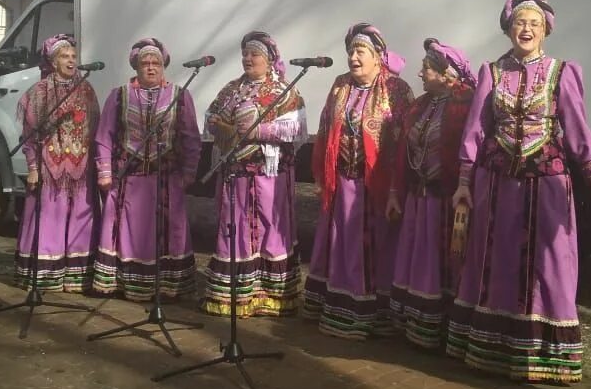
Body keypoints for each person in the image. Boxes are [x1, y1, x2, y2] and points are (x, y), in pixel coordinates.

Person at [448, 0, 591, 383]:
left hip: (546, 183)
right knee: (497, 259)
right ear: (508, 27)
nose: (526, 29)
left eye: (534, 24)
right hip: (497, 184)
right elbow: (475, 130)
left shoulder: (561, 72)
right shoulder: (491, 72)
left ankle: (544, 354)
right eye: (520, 22)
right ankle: (493, 347)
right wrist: (463, 183)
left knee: (549, 262)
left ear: (546, 31)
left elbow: (576, 129)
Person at [304, 23, 414, 339]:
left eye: (360, 51)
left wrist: (396, 188)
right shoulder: (340, 85)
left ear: (378, 56)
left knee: (375, 247)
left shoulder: (397, 89)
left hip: (377, 187)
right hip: (343, 182)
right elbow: (326, 129)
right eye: (351, 51)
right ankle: (342, 310)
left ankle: (375, 316)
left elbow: (404, 143)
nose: (354, 57)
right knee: (342, 244)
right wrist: (322, 175)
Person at [202, 31, 307, 317]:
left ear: (269, 59)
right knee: (234, 226)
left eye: (255, 54)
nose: (248, 59)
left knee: (270, 227)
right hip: (236, 173)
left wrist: (254, 130)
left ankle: (271, 295)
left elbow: (295, 128)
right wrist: (222, 128)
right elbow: (212, 117)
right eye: (245, 54)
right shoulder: (231, 89)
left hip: (269, 174)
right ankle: (235, 293)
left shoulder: (284, 91)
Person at [93, 38, 201, 300]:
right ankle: (125, 283)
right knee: (125, 231)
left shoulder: (179, 96)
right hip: (129, 181)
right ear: (136, 67)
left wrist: (189, 172)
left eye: (156, 63)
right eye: (145, 63)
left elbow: (190, 138)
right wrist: (104, 172)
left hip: (166, 181)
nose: (151, 68)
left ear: (163, 66)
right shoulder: (118, 96)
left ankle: (169, 287)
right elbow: (104, 136)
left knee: (169, 233)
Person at [387, 38, 476, 349]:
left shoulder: (467, 104)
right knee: (418, 258)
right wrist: (396, 192)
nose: (421, 74)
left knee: (446, 261)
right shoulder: (420, 106)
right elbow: (402, 153)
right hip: (419, 199)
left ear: (446, 72)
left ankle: (444, 329)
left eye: (426, 68)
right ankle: (416, 325)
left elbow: (470, 149)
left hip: (447, 201)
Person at [14, 34, 99, 293]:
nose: (71, 61)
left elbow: (96, 130)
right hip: (48, 169)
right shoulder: (39, 93)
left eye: (73, 56)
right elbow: (28, 136)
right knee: (48, 219)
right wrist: (32, 168)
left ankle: (76, 277)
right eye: (64, 56)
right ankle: (44, 276)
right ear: (52, 61)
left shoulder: (86, 89)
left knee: (80, 221)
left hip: (81, 169)